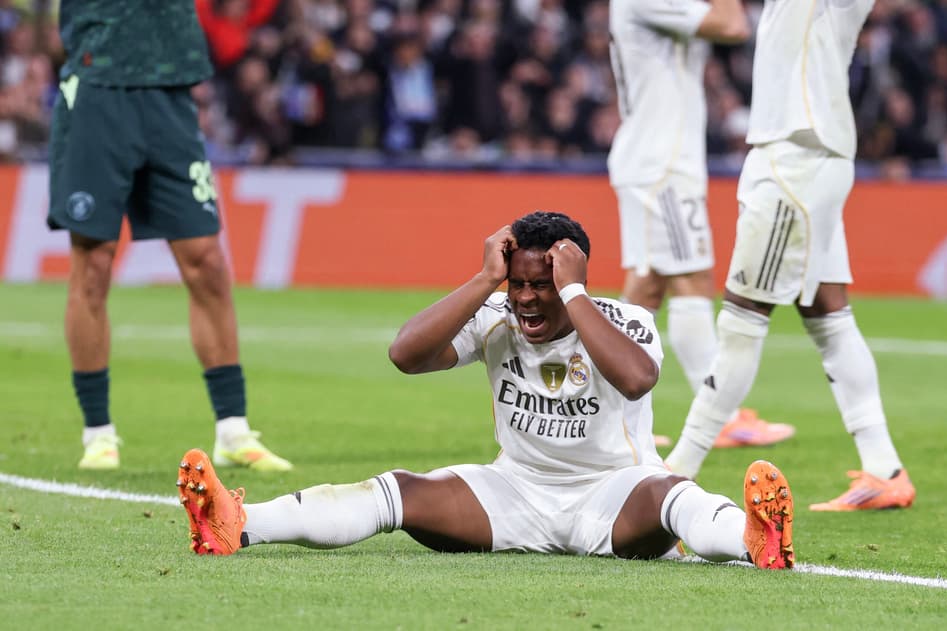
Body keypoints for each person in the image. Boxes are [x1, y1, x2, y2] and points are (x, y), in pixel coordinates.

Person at [174, 211, 794, 570]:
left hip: (614, 492)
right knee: (399, 491)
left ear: (573, 276)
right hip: (514, 490)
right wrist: (482, 280)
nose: (525, 298)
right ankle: (237, 523)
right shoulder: (495, 313)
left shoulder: (621, 319)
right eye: (516, 283)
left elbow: (637, 378)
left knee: (673, 493)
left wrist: (574, 296)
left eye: (541, 284)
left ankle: (753, 539)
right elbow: (405, 355)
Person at [664, 0, 916, 511]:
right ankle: (884, 469)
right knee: (828, 315)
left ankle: (673, 474)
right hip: (801, 156)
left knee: (742, 317)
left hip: (796, 159)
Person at [46, 0, 291, 472]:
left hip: (170, 89)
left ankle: (233, 431)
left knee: (208, 262)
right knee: (93, 263)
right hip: (98, 88)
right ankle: (98, 433)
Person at [607, 0, 794, 448]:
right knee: (691, 279)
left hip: (658, 161)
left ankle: (605, 416)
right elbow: (732, 22)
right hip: (663, 166)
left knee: (646, 288)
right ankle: (723, 416)